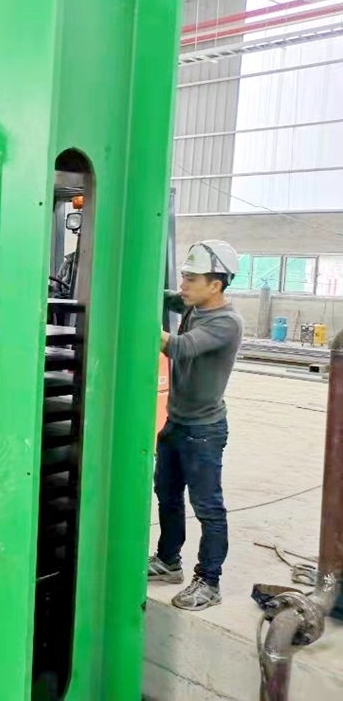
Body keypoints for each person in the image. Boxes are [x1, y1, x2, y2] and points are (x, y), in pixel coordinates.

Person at [148, 239, 244, 611]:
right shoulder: (193, 304)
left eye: (191, 278)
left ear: (215, 284)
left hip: (204, 431)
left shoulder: (226, 322)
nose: (183, 284)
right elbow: (164, 297)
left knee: (208, 507)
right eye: (184, 276)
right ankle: (168, 560)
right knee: (167, 495)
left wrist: (139, 318)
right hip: (176, 423)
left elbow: (180, 347)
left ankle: (209, 580)